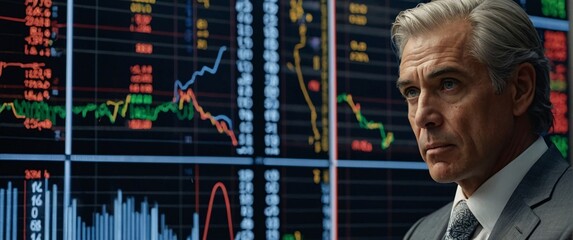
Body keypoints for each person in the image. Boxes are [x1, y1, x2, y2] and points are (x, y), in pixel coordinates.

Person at [391, 0, 573, 239]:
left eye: (448, 84)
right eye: (412, 92)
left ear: (520, 89)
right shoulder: (420, 233)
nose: (423, 116)